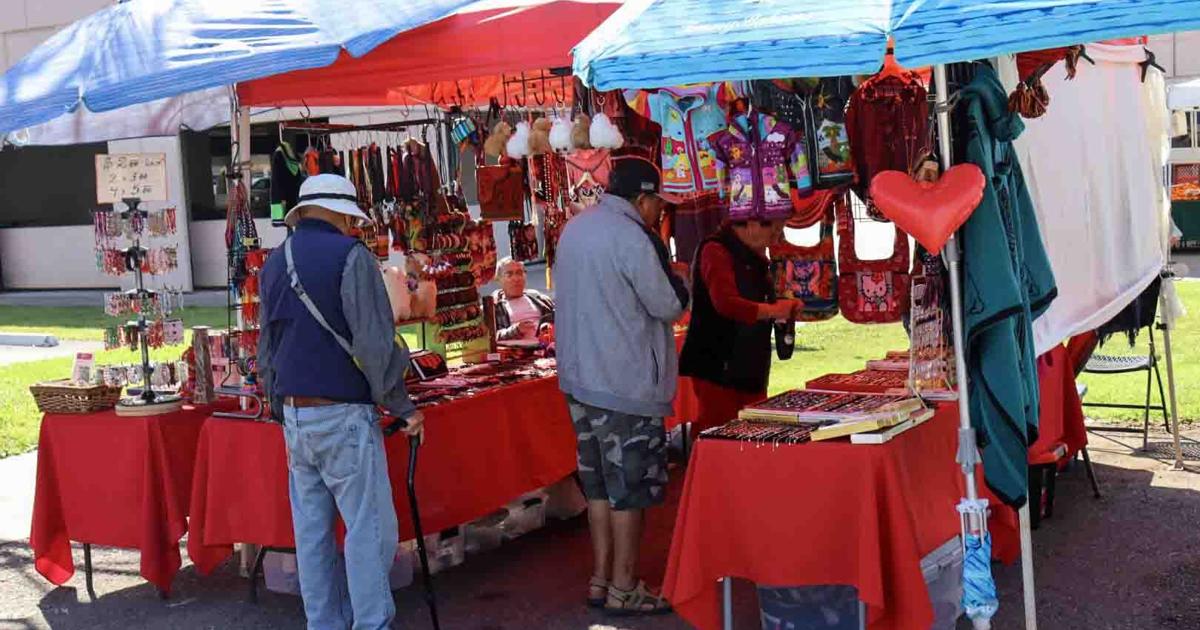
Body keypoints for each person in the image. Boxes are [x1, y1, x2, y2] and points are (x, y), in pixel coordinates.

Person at [257, 173, 424, 630]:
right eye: (350, 217)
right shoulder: (351, 257)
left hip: (295, 413)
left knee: (312, 536)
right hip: (343, 413)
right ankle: (371, 623)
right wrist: (402, 404)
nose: (353, 226)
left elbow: (266, 346)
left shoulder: (275, 261)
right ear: (336, 212)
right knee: (368, 532)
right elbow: (373, 344)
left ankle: (324, 624)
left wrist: (277, 404)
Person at [554, 156, 689, 616]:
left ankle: (601, 579)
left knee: (597, 485)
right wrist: (682, 282)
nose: (659, 214)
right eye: (658, 205)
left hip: (580, 378)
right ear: (643, 198)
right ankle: (625, 586)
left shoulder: (575, 228)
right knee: (629, 488)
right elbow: (668, 305)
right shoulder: (632, 237)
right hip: (623, 382)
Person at [679, 214, 803, 434]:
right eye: (774, 231)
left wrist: (780, 307)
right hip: (718, 368)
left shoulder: (753, 256)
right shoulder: (715, 250)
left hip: (748, 367)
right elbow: (726, 303)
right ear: (753, 224)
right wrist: (774, 310)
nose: (777, 238)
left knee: (750, 436)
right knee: (720, 437)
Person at [492, 257, 555, 341]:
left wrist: (549, 327)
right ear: (499, 279)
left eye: (519, 273)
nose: (516, 279)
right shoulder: (494, 307)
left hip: (547, 349)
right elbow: (489, 338)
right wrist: (514, 330)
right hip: (517, 352)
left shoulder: (540, 299)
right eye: (509, 274)